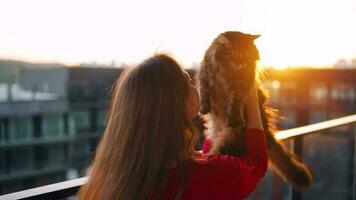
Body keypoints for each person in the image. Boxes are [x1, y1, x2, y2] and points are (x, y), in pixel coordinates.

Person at [77, 54, 267, 200]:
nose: (195, 84)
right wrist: (249, 87)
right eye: (188, 81)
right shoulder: (206, 177)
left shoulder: (111, 179)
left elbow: (205, 159)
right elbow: (256, 164)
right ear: (178, 104)